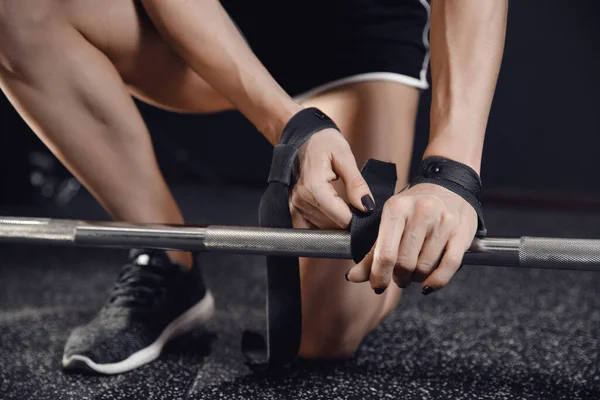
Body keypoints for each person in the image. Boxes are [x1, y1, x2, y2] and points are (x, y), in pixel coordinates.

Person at [0, 0, 508, 374]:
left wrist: (451, 173)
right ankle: (165, 254)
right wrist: (291, 126)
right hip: (221, 20)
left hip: (357, 37)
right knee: (18, 13)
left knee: (322, 333)